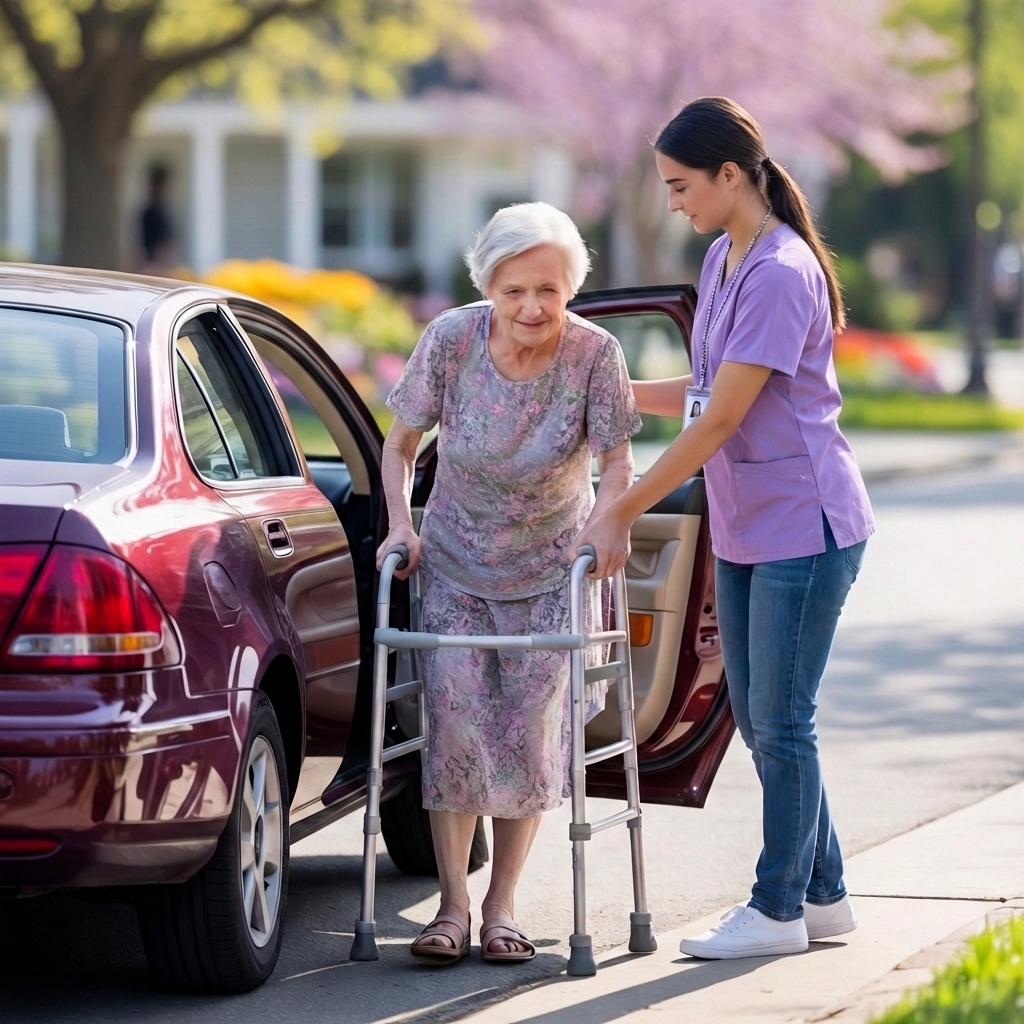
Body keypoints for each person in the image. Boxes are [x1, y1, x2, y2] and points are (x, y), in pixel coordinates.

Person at [571, 97, 875, 960]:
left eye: (680, 185)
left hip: (807, 526)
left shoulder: (781, 271)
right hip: (749, 525)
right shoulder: (724, 256)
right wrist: (615, 395)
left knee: (782, 721)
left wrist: (623, 503)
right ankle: (823, 898)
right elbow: (704, 389)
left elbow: (717, 424)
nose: (674, 202)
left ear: (730, 174)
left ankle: (775, 910)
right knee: (766, 713)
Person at [378, 202, 641, 964]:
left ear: (571, 291)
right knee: (455, 728)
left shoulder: (595, 354)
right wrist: (402, 524)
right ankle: (452, 906)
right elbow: (399, 447)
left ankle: (502, 908)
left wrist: (611, 522)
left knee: (527, 739)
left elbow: (618, 457)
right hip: (455, 560)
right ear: (488, 285)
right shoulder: (452, 341)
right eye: (515, 290)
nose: (532, 307)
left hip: (552, 567)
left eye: (550, 292)